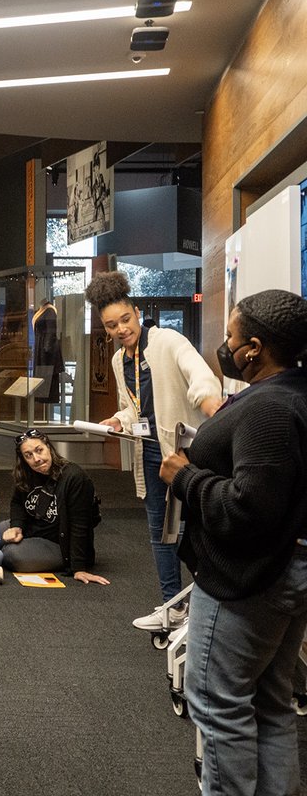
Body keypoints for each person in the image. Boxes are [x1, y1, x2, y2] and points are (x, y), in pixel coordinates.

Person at [160, 289, 307, 796]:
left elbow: (249, 508)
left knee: (216, 703)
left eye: (230, 337)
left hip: (250, 578)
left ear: (255, 348)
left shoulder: (272, 407)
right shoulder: (292, 393)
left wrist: (185, 476)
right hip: (282, 571)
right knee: (269, 703)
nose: (225, 346)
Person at [85, 271, 221, 630]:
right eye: (111, 325)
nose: (121, 329)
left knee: (195, 531)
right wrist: (117, 421)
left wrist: (211, 404)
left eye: (125, 319)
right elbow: (133, 408)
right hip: (147, 453)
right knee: (161, 531)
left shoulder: (167, 341)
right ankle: (172, 608)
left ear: (135, 310)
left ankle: (213, 605)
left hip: (184, 453)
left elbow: (200, 376)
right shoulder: (118, 361)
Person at [2, 429, 109, 585]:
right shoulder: (27, 472)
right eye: (28, 455)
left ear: (49, 447)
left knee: (12, 555)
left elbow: (80, 524)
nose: (36, 459)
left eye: (39, 450)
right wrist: (17, 526)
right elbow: (17, 502)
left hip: (59, 544)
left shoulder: (75, 477)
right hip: (32, 528)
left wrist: (78, 567)